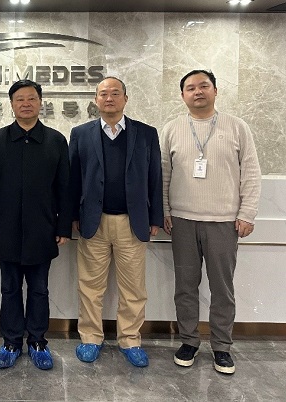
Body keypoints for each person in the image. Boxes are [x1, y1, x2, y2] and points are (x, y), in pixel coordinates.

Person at [161, 69, 260, 375]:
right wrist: (164, 210)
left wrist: (247, 213)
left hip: (224, 222)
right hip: (182, 221)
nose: (197, 92)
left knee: (222, 289)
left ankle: (222, 347)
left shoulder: (237, 127)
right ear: (182, 95)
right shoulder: (172, 129)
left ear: (215, 90)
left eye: (204, 86)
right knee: (185, 287)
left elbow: (251, 172)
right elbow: (163, 173)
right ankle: (188, 341)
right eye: (190, 88)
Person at [68, 76, 162, 368]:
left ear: (125, 98)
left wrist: (155, 217)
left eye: (115, 93)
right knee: (90, 286)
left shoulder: (146, 134)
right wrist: (72, 215)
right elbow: (73, 178)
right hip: (92, 222)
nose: (109, 98)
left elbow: (155, 178)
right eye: (103, 94)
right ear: (96, 100)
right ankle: (90, 338)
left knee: (133, 288)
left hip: (132, 223)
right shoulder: (81, 133)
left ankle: (130, 340)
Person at [0, 79, 71, 370]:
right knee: (9, 289)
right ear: (11, 104)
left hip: (43, 229)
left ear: (40, 102)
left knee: (39, 289)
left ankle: (38, 341)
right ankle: (10, 342)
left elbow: (64, 187)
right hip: (6, 230)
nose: (26, 104)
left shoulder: (56, 140)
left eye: (31, 98)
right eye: (20, 99)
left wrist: (63, 227)